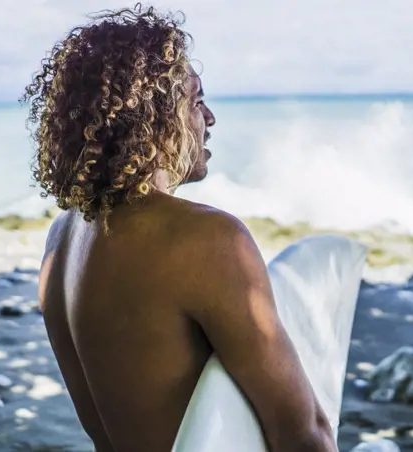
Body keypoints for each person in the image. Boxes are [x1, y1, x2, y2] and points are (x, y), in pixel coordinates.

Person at [21, 5, 337, 452]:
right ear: (153, 117)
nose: (208, 119)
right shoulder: (207, 239)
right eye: (195, 101)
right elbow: (303, 433)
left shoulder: (61, 240)